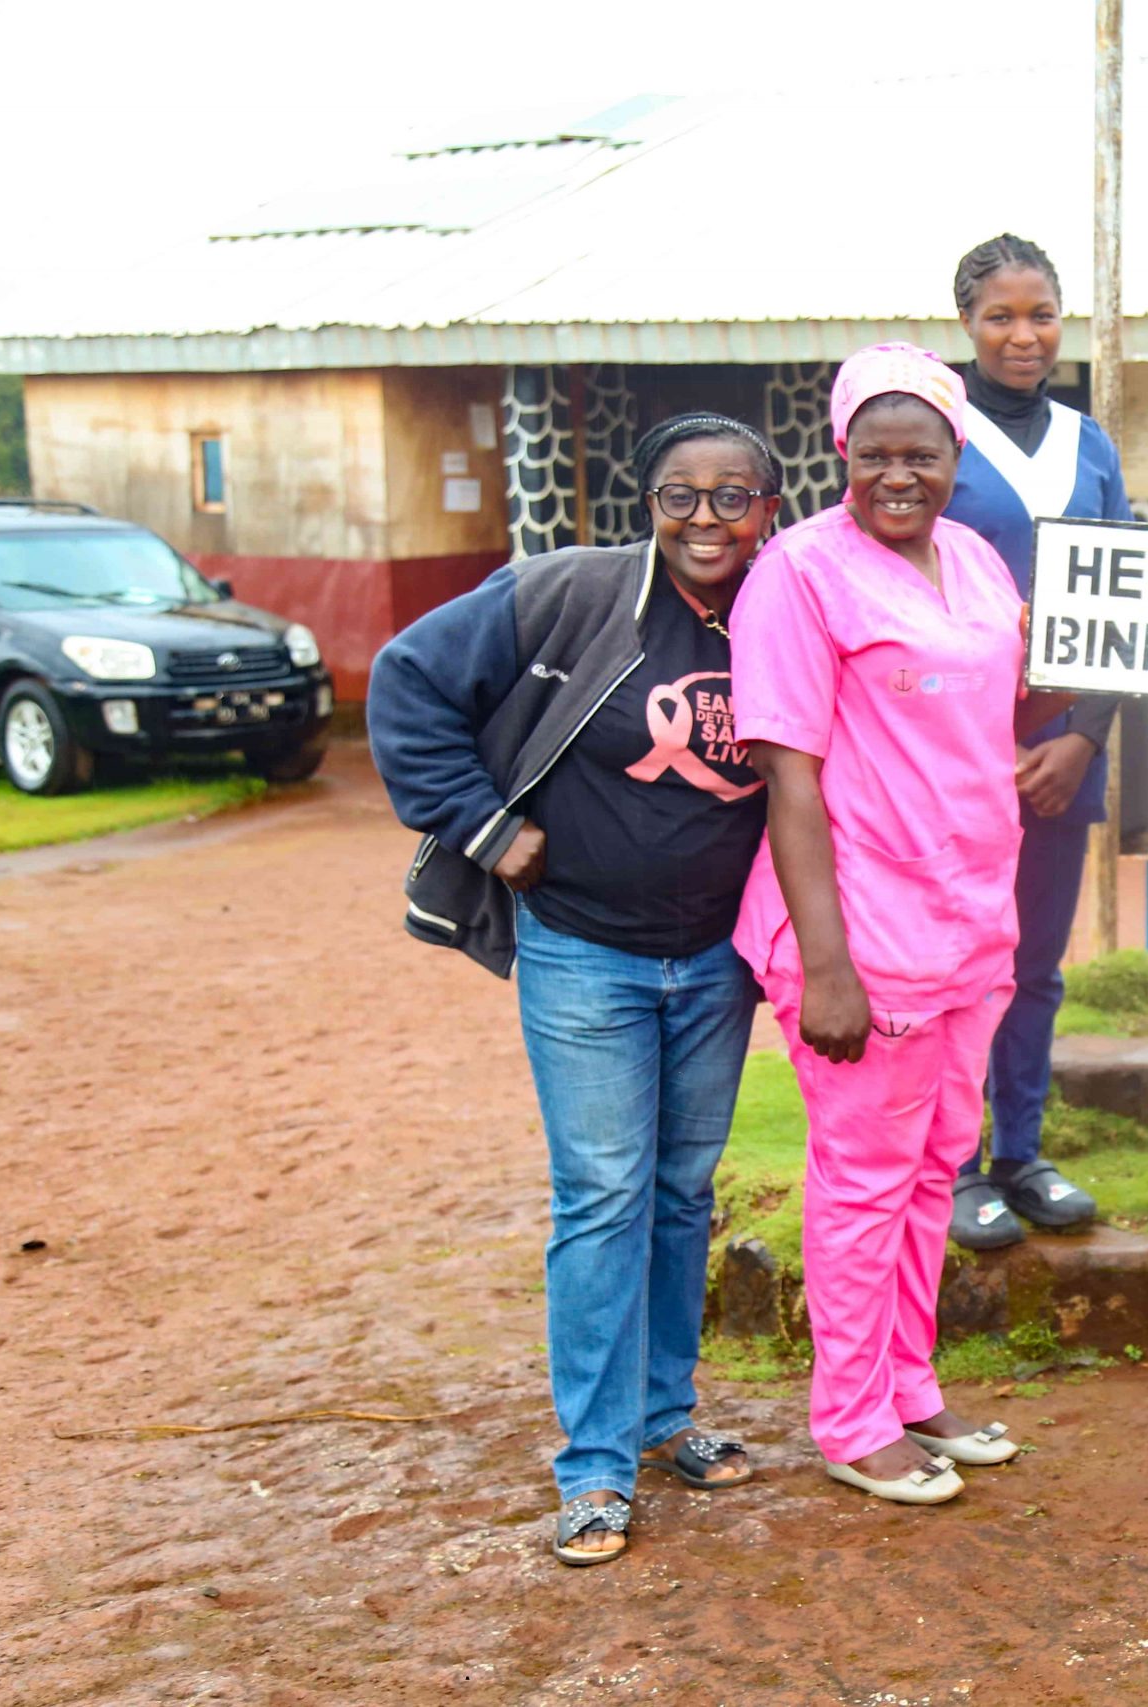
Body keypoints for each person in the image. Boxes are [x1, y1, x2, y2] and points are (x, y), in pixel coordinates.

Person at [370, 411, 782, 1566]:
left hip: (716, 957)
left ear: (769, 506)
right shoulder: (568, 593)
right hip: (582, 950)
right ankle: (595, 1466)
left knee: (682, 1190)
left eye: (733, 495)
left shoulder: (782, 612)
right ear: (647, 504)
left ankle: (665, 1416)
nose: (707, 518)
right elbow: (407, 680)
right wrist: (484, 827)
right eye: (681, 496)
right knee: (602, 1195)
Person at [727, 344, 1071, 1507]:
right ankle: (850, 1417)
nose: (896, 475)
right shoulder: (799, 574)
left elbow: (1027, 692)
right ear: (841, 456)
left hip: (970, 919)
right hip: (861, 933)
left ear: (955, 456)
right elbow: (787, 778)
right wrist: (827, 968)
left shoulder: (973, 559)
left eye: (919, 452)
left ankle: (909, 1386)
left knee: (935, 1164)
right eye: (872, 454)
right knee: (864, 1178)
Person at [939, 232, 1134, 1251]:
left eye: (1041, 313)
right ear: (965, 323)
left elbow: (1131, 598)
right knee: (960, 961)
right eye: (1002, 316)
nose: (1024, 334)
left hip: (1059, 755)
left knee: (1035, 963)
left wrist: (1082, 741)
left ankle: (1020, 1150)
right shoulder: (936, 434)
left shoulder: (1087, 444)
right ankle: (955, 1162)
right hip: (949, 751)